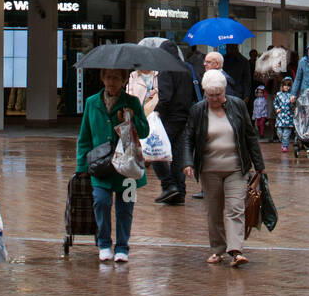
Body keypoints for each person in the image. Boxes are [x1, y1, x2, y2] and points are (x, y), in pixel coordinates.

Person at [180, 69, 266, 267]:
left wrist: (259, 165)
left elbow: (249, 135)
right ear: (205, 93)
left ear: (225, 92)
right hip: (209, 170)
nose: (215, 99)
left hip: (236, 167)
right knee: (214, 210)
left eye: (218, 95)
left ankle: (236, 250)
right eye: (211, 95)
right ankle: (217, 250)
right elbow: (188, 138)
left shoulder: (237, 106)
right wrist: (187, 162)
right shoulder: (198, 111)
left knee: (235, 208)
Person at [75, 67, 149, 263]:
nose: (111, 82)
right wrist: (81, 166)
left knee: (126, 207)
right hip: (101, 165)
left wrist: (132, 118)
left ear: (124, 80)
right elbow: (84, 137)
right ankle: (104, 243)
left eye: (116, 78)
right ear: (102, 78)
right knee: (101, 202)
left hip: (128, 168)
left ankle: (123, 246)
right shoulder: (92, 102)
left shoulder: (132, 102)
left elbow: (144, 132)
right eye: (108, 77)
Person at [150, 39, 192, 206]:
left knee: (154, 151)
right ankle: (179, 192)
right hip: (184, 117)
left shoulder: (166, 69)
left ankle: (168, 185)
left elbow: (166, 97)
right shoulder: (186, 69)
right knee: (177, 156)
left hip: (169, 119)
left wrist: (156, 111)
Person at [273, 76, 295, 151]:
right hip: (280, 117)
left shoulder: (292, 96)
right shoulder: (278, 94)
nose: (286, 87)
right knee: (279, 132)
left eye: (288, 85)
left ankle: (285, 145)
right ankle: (283, 142)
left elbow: (294, 106)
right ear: (282, 86)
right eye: (285, 85)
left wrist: (293, 103)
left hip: (288, 117)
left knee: (286, 133)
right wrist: (277, 109)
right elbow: (275, 103)